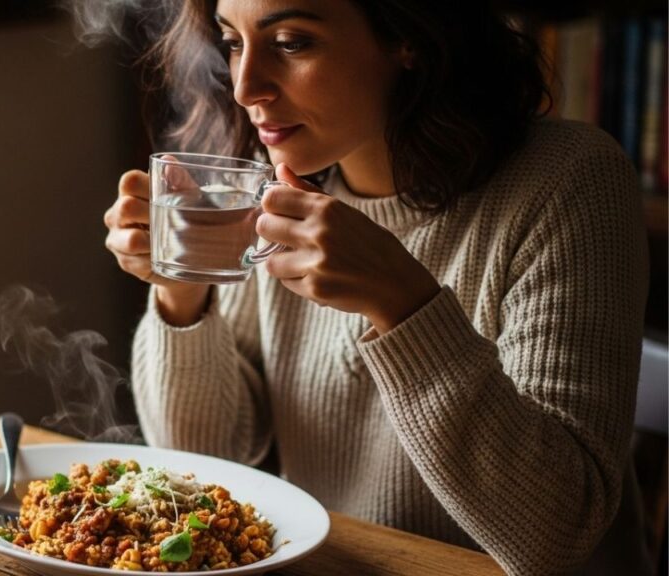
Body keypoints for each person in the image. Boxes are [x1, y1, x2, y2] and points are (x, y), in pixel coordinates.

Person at [100, 1, 651, 574]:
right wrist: (180, 290)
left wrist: (402, 303)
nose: (245, 87)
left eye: (290, 43)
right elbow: (208, 466)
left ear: (408, 37)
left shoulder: (569, 181)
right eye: (233, 42)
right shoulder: (264, 183)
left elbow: (557, 537)